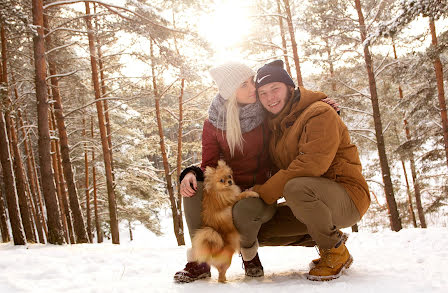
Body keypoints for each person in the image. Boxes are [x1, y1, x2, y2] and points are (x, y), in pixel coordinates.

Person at [252, 60, 371, 281]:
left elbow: (311, 165)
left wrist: (264, 193)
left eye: (275, 88)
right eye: (263, 93)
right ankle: (330, 236)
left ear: (290, 87)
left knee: (296, 186)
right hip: (312, 200)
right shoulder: (274, 125)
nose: (270, 97)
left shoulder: (319, 113)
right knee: (259, 228)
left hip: (348, 196)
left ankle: (334, 251)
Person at [173, 62, 276, 283]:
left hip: (260, 193)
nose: (253, 88)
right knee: (194, 186)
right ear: (230, 92)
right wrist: (190, 173)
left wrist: (321, 102)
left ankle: (249, 256)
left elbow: (295, 105)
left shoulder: (267, 111)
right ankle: (199, 261)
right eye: (244, 84)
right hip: (228, 194)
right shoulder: (213, 123)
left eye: (252, 81)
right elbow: (209, 165)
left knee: (244, 208)